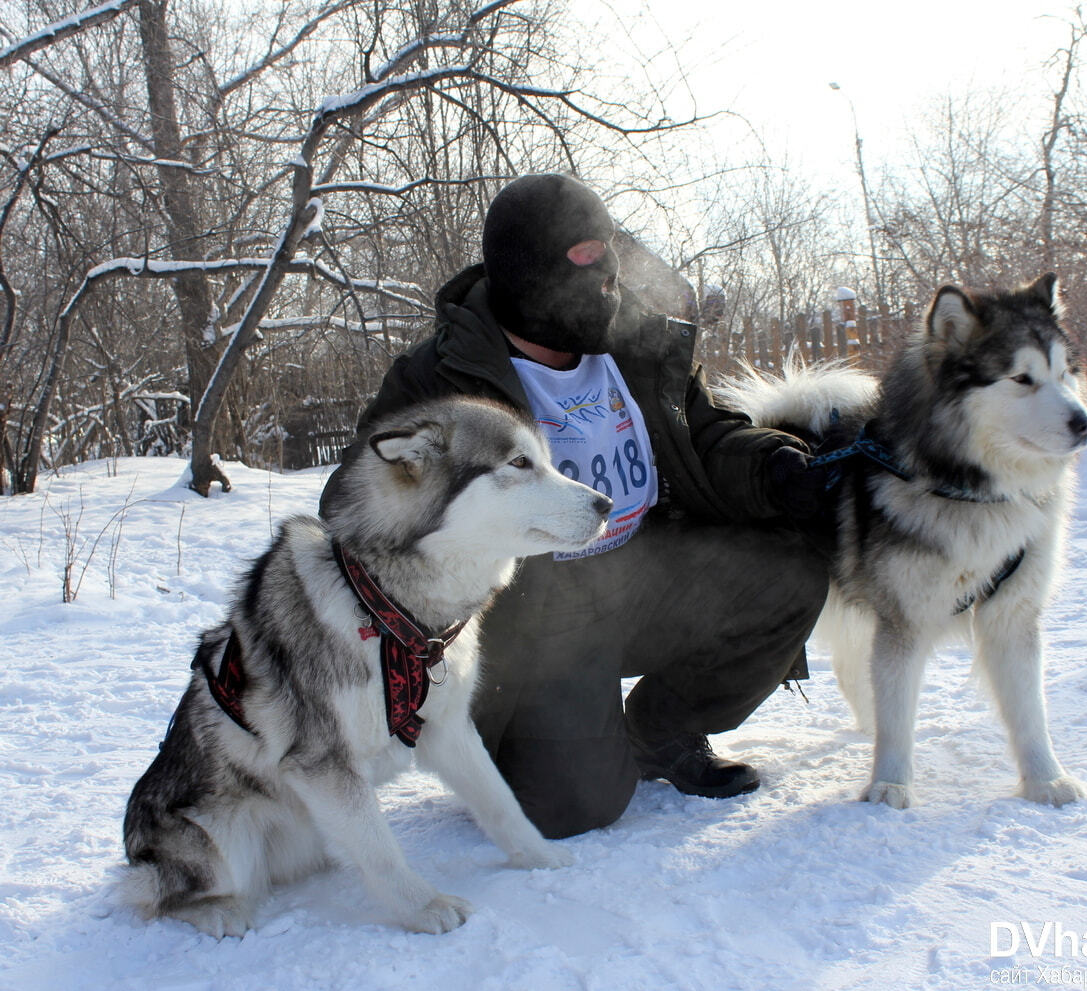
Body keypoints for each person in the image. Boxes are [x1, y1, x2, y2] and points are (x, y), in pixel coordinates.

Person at [320, 174, 831, 838]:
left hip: (644, 570)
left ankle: (660, 733)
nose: (610, 284)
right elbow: (350, 505)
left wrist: (779, 464)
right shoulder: (442, 378)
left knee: (789, 574)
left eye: (612, 262)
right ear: (530, 278)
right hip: (532, 618)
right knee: (573, 807)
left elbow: (704, 435)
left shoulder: (636, 345)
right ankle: (513, 739)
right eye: (589, 263)